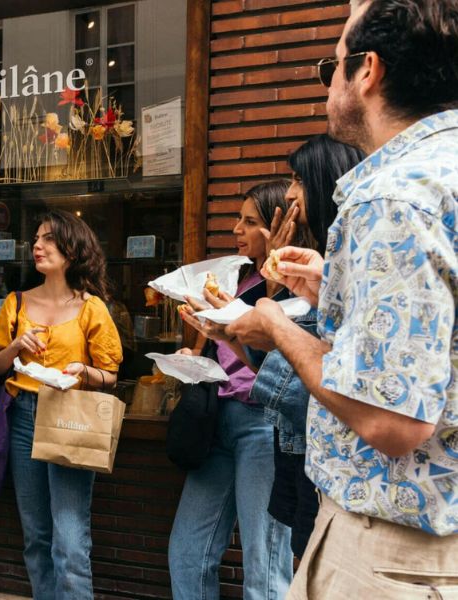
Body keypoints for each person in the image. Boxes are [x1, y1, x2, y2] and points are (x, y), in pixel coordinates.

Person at [227, 1, 458, 597]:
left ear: (367, 73)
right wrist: (332, 284)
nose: (327, 83)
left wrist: (276, 321)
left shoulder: (392, 198)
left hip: (391, 554)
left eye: (329, 67)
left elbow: (391, 417)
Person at [0, 210, 122, 600]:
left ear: (72, 249)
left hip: (68, 416)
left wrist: (84, 370)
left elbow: (110, 374)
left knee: (69, 538)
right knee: (36, 535)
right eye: (37, 239)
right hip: (23, 414)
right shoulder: (16, 303)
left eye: (48, 239)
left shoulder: (91, 307)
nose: (38, 246)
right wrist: (16, 346)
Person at [168, 180, 294, 600]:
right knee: (188, 552)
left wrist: (276, 277)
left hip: (263, 424)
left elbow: (285, 357)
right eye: (238, 219)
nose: (237, 229)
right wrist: (198, 352)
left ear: (278, 227)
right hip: (217, 419)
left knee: (266, 563)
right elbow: (227, 346)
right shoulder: (236, 277)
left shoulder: (298, 282)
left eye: (250, 221)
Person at [251, 135, 364, 559]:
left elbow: (308, 383)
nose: (291, 193)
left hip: (328, 465)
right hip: (299, 451)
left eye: (298, 180)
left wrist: (273, 321)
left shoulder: (353, 260)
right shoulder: (315, 262)